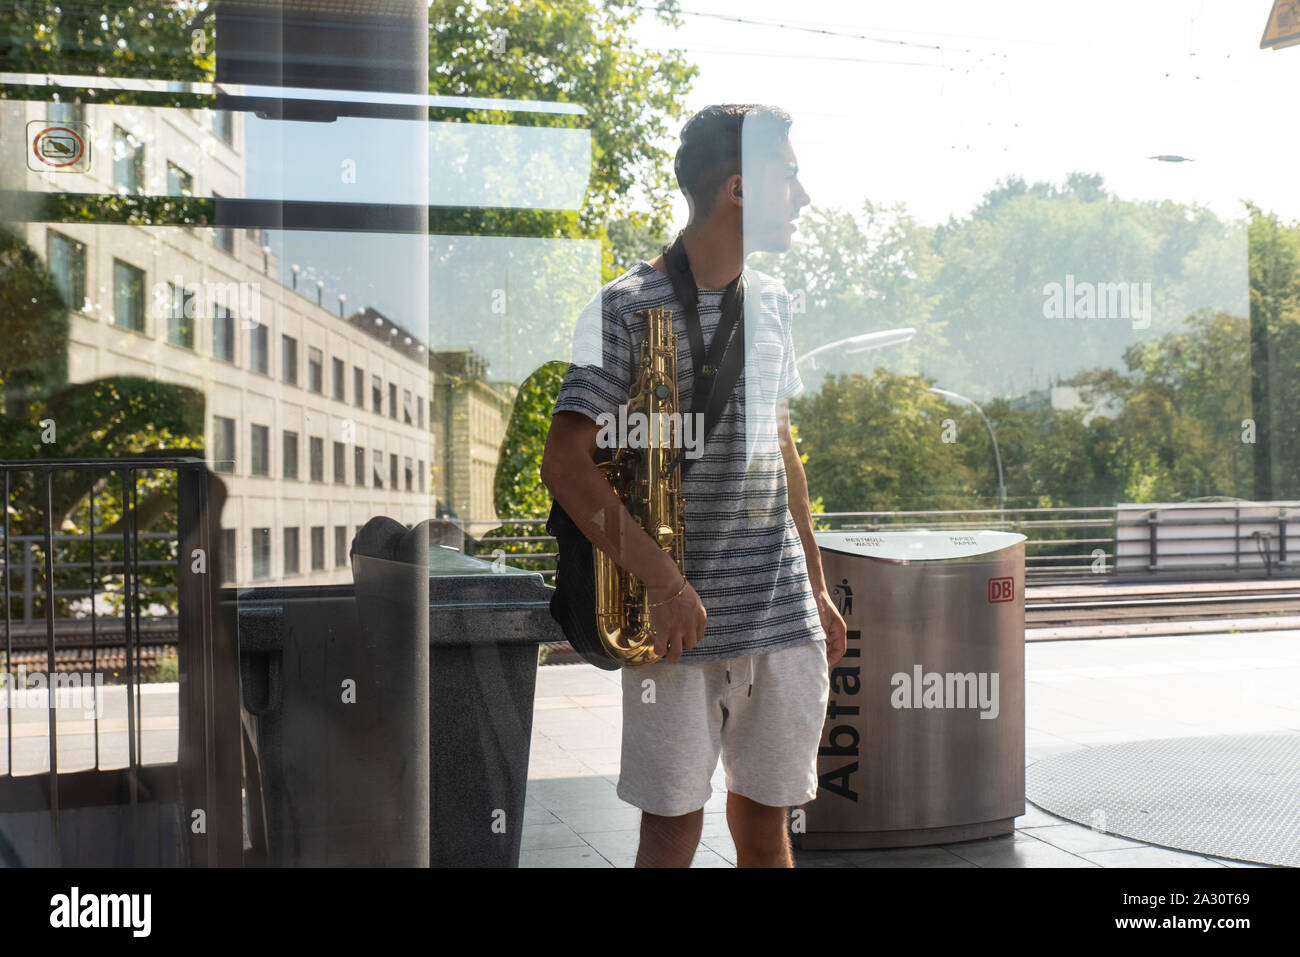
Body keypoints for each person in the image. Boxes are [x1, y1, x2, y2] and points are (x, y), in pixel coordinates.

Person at [540, 104, 847, 868]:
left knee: (766, 825)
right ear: (739, 187)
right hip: (670, 625)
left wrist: (817, 584)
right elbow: (564, 464)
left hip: (780, 614)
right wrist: (667, 585)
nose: (803, 195)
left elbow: (782, 451)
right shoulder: (622, 306)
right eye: (791, 176)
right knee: (672, 832)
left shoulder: (773, 305)